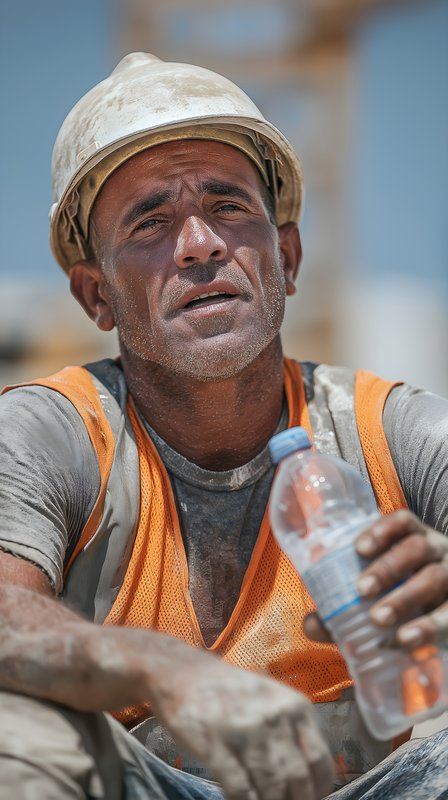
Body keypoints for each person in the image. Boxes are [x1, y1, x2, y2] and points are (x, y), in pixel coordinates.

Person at [0, 52, 447, 800]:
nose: (200, 243)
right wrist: (161, 668)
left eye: (230, 206)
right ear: (96, 295)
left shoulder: (389, 432)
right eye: (151, 221)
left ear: (287, 257)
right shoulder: (54, 432)